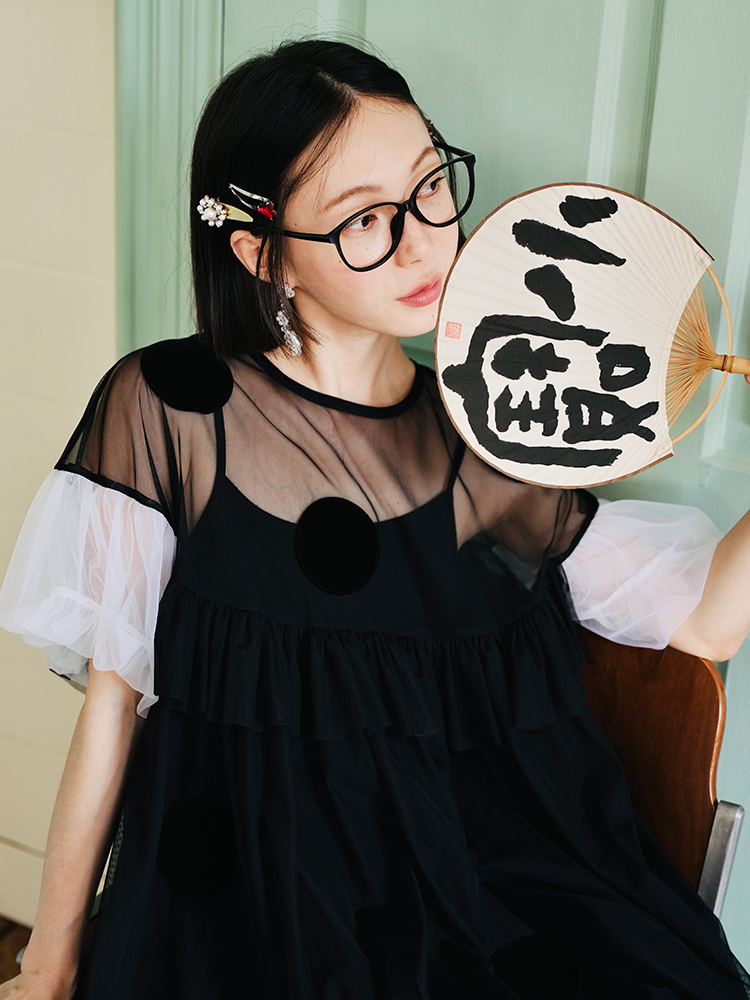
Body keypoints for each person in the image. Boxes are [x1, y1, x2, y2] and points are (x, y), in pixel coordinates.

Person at [1, 37, 750, 1000]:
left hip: (479, 890)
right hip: (246, 900)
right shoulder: (170, 410)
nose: (426, 240)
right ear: (262, 253)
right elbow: (113, 710)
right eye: (365, 220)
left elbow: (705, 622)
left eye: (430, 186)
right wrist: (46, 967)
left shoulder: (484, 440)